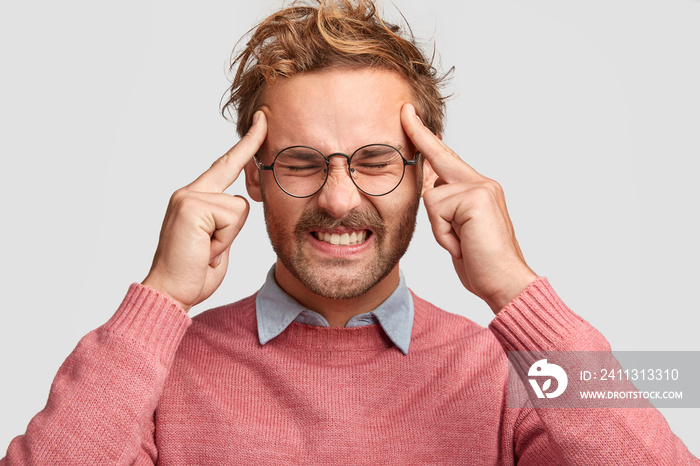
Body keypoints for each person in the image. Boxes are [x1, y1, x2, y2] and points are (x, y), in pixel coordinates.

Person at [1, 0, 698, 464]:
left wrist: (517, 293)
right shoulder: (158, 372)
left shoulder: (503, 377)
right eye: (302, 162)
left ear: (427, 175)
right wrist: (158, 299)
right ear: (253, 176)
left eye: (376, 161)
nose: (339, 199)